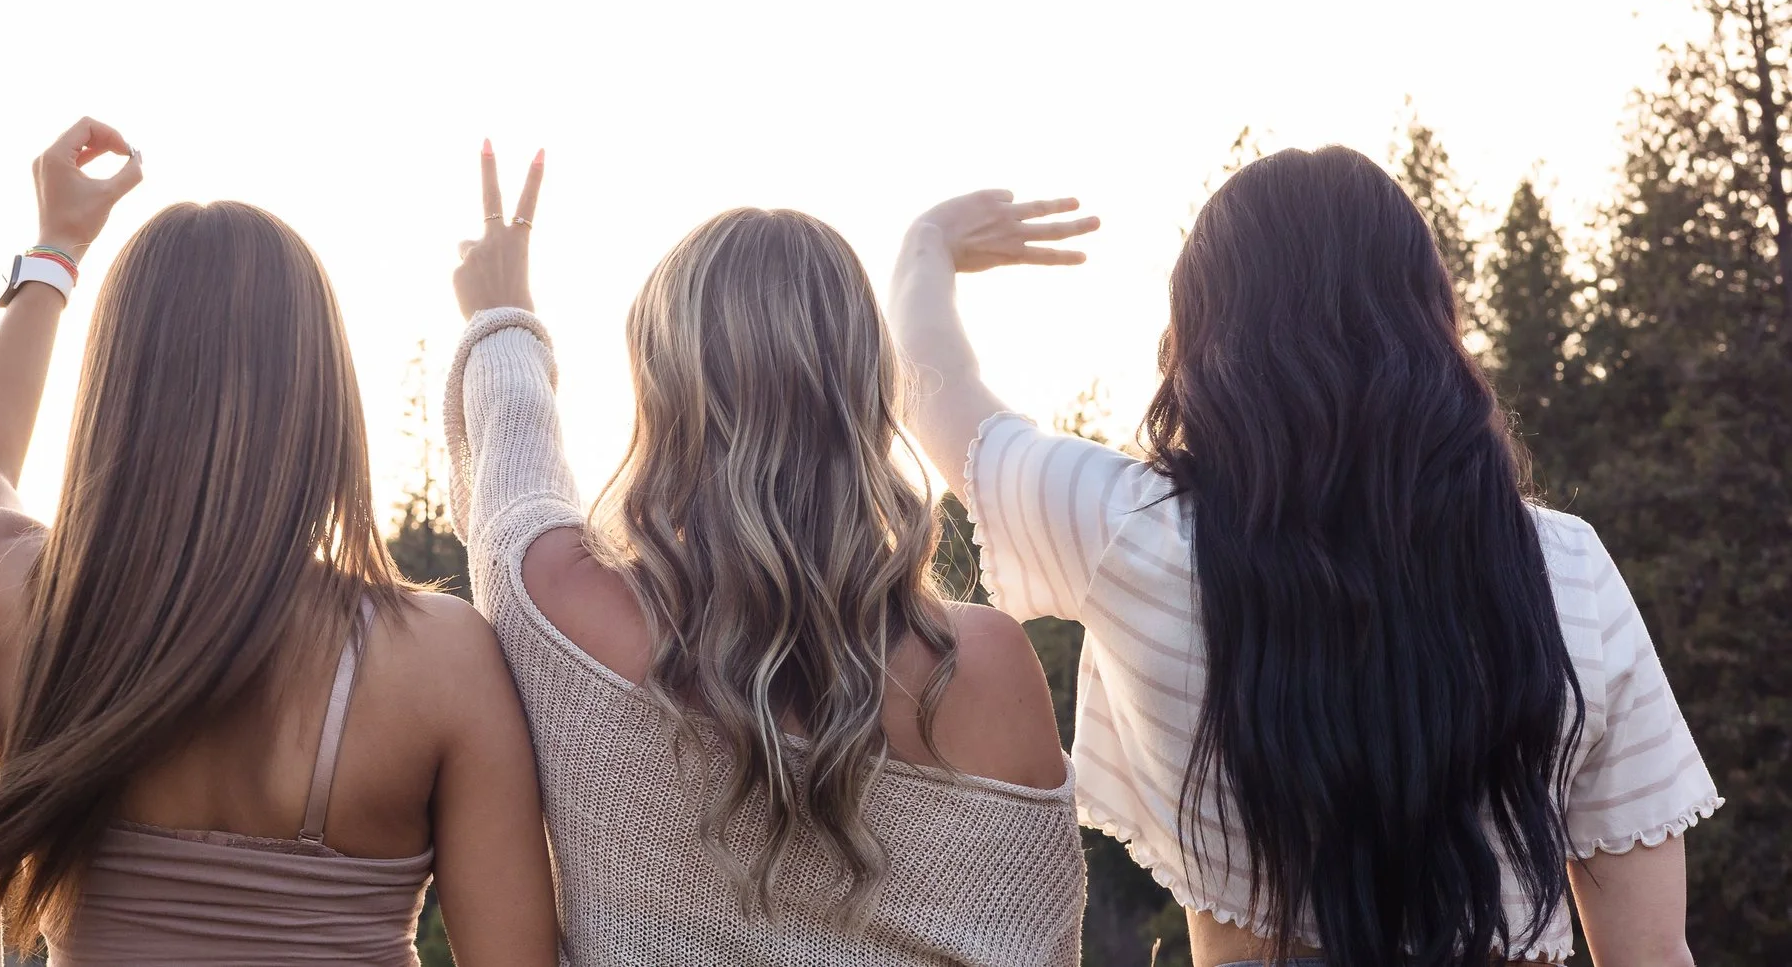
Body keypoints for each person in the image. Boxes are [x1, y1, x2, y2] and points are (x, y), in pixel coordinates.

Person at [890, 149, 1715, 967]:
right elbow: (1651, 949)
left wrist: (928, 245)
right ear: (1433, 317)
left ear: (1203, 337)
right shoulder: (1567, 566)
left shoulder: (1134, 533)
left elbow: (938, 390)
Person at [0, 120, 558, 966]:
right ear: (322, 399)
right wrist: (506, 325)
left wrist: (56, 251)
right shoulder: (438, 660)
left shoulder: (16, 597)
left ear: (115, 389)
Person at [445, 145, 1086, 966]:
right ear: (869, 390)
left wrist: (502, 313)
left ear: (660, 395)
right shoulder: (985, 665)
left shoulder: (559, 603)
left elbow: (513, 453)